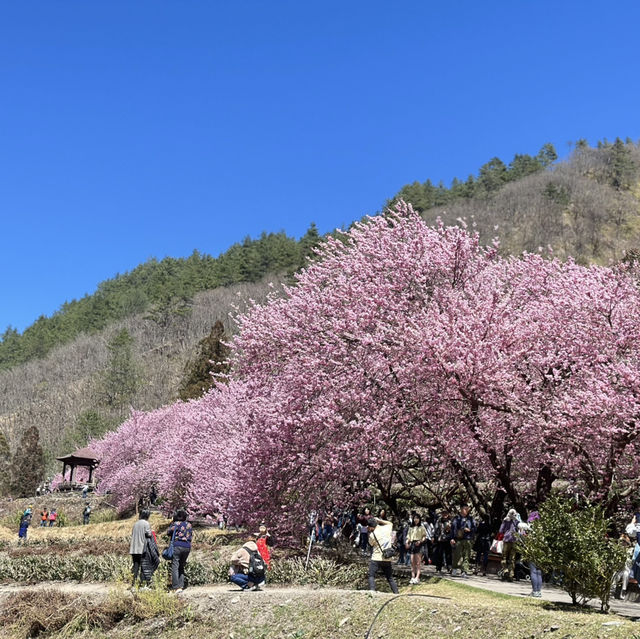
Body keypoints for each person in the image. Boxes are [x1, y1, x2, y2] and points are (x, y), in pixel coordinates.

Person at [367, 516, 399, 593]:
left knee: (371, 575)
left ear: (370, 527)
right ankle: (396, 593)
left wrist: (370, 532)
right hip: (387, 558)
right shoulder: (386, 528)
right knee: (390, 578)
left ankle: (372, 591)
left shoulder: (372, 535)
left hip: (376, 558)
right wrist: (379, 520)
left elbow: (371, 544)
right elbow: (390, 523)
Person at [130, 509, 159, 589]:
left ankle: (133, 585)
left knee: (135, 567)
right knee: (144, 566)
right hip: (142, 548)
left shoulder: (135, 524)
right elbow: (149, 534)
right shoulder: (146, 523)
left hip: (134, 548)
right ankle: (142, 585)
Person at [167, 509, 193, 592]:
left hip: (177, 545)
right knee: (181, 566)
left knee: (175, 566)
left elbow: (168, 532)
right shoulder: (189, 525)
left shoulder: (175, 524)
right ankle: (181, 586)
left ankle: (175, 586)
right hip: (187, 547)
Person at [450, 505, 476, 578]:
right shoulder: (456, 518)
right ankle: (454, 568)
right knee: (457, 554)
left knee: (467, 555)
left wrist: (470, 530)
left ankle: (464, 570)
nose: (466, 510)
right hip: (458, 539)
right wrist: (452, 538)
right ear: (461, 509)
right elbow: (452, 529)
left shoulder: (470, 519)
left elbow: (475, 528)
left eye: (467, 509)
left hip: (468, 539)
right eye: (465, 509)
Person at [499, 509, 520, 582]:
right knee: (511, 558)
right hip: (513, 540)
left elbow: (501, 530)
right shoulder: (514, 520)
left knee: (505, 557)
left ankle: (506, 572)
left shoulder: (511, 520)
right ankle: (509, 573)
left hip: (508, 540)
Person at [406, 513, 427, 584]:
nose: (416, 520)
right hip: (412, 544)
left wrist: (420, 541)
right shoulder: (411, 527)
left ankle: (417, 577)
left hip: (418, 544)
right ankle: (412, 576)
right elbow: (408, 537)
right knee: (412, 562)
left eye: (417, 518)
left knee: (418, 562)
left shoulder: (421, 527)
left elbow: (424, 536)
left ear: (419, 519)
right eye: (414, 518)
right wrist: (407, 543)